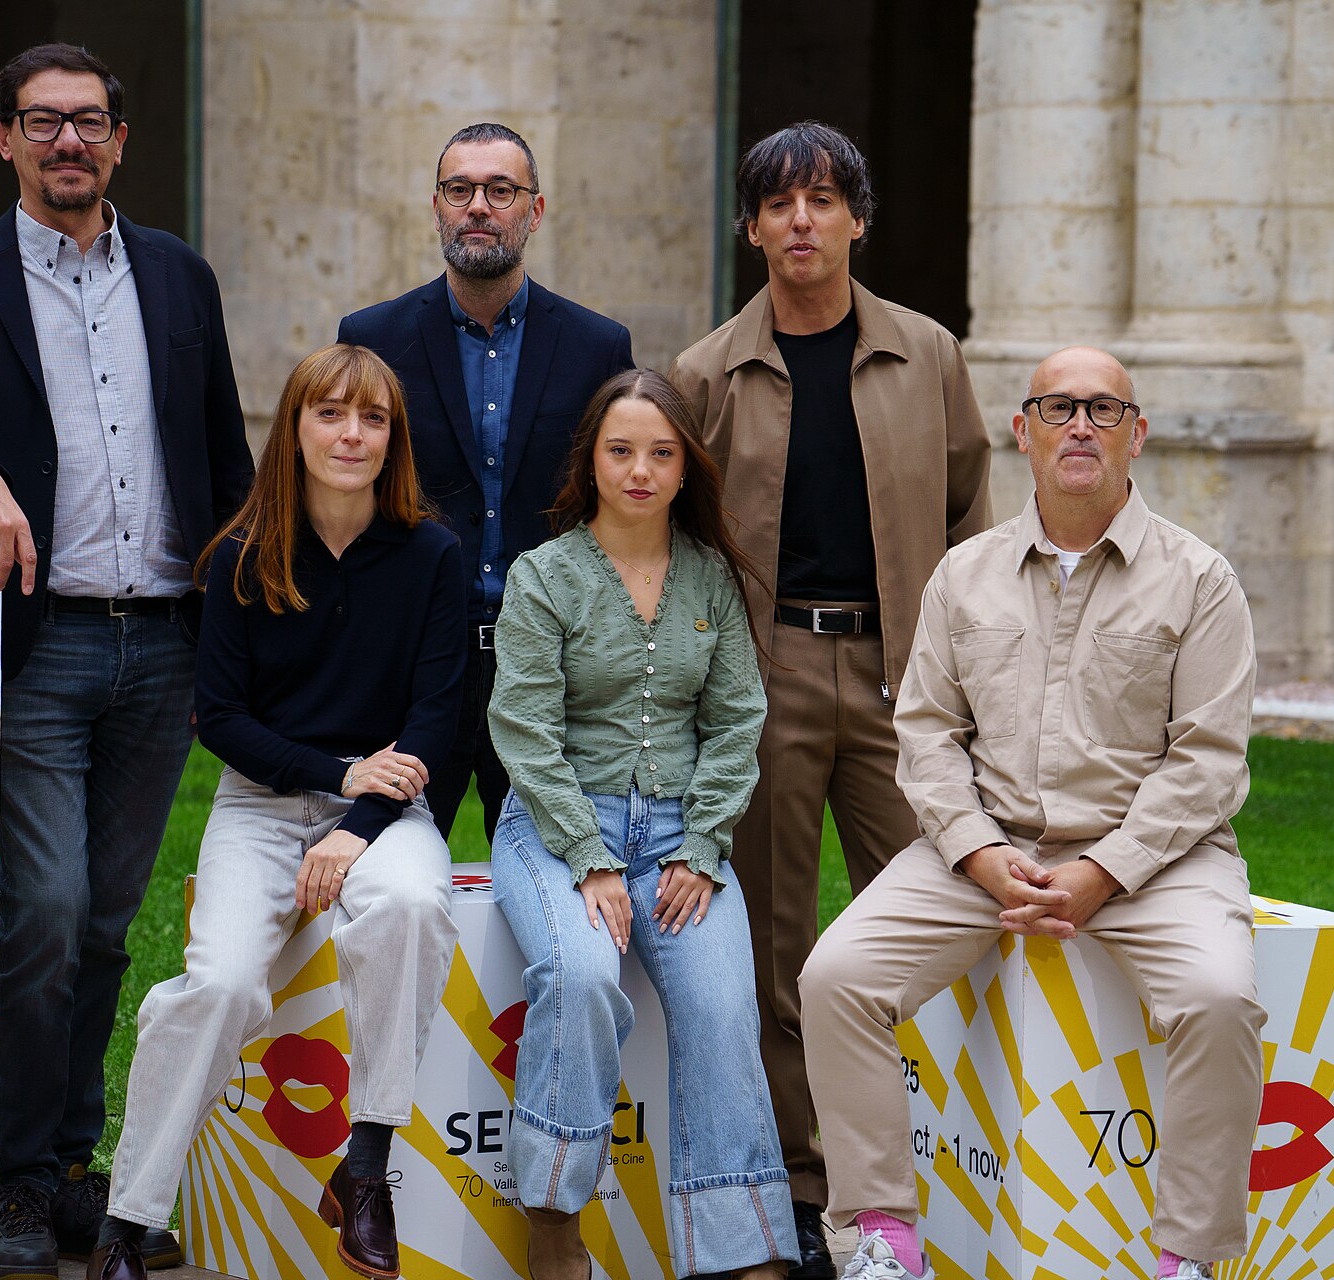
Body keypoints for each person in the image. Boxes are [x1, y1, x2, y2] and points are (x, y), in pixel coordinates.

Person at [0, 42, 252, 1277]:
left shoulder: (180, 279)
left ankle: (76, 1164)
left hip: (165, 645)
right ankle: (16, 1173)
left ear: (121, 139)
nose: (66, 142)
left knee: (109, 925)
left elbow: (225, 464)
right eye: (42, 123)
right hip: (39, 642)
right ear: (4, 140)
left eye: (87, 122)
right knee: (45, 911)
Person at [799, 346, 1265, 1280]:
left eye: (1103, 409)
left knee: (1219, 1000)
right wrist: (974, 852)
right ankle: (881, 1240)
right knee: (836, 975)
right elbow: (925, 735)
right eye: (1058, 408)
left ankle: (1191, 1258)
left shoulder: (1199, 578)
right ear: (1023, 432)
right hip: (986, 851)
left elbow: (1208, 759)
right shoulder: (962, 576)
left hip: (1155, 861)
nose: (1080, 426)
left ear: (1138, 436)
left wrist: (1105, 872)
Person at [667, 121, 991, 1279]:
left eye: (823, 199)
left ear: (858, 217)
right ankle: (812, 1191)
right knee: (775, 944)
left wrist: (969, 678)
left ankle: (944, 1163)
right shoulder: (706, 373)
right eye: (778, 203)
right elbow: (678, 538)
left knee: (938, 912)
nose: (801, 220)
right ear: (750, 226)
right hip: (768, 678)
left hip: (909, 682)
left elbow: (968, 520)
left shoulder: (928, 353)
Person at [85, 344, 465, 1280]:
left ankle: (366, 1168)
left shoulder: (432, 557)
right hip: (260, 804)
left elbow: (433, 722)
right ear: (294, 428)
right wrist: (340, 775)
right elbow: (221, 720)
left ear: (394, 439)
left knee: (412, 908)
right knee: (216, 987)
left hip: (388, 809)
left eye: (372, 419)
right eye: (330, 413)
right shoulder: (245, 554)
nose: (351, 434)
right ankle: (126, 1224)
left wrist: (356, 823)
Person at [488, 369, 795, 1280]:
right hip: (553, 829)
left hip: (679, 841)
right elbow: (525, 731)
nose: (639, 470)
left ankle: (743, 1248)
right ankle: (553, 1215)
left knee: (720, 1007)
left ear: (685, 465)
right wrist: (588, 858)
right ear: (591, 459)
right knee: (581, 974)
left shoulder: (708, 575)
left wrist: (702, 846)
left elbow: (738, 719)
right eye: (620, 450)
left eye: (661, 453)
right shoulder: (545, 576)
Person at [339, 122, 635, 844]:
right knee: (387, 870)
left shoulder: (600, 346)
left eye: (500, 190)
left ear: (533, 211)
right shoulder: (371, 338)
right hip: (415, 660)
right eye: (459, 189)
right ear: (435, 206)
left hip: (549, 662)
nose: (478, 206)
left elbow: (616, 507)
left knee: (559, 870)